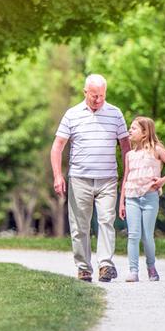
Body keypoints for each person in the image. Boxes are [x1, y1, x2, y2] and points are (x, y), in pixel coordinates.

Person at [51, 74, 130, 282]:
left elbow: (125, 147)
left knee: (106, 221)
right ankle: (84, 267)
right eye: (94, 95)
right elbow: (58, 146)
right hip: (80, 178)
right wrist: (58, 175)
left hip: (108, 178)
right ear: (85, 92)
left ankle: (105, 264)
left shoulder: (115, 114)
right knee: (80, 226)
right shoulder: (72, 115)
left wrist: (127, 176)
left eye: (102, 96)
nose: (98, 100)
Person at [118, 116, 165, 282]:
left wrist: (162, 181)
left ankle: (151, 267)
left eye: (134, 128)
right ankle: (133, 271)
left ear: (145, 133)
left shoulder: (157, 150)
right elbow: (126, 177)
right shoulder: (129, 155)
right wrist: (121, 202)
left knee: (147, 236)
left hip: (150, 197)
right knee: (133, 235)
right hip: (131, 197)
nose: (130, 131)